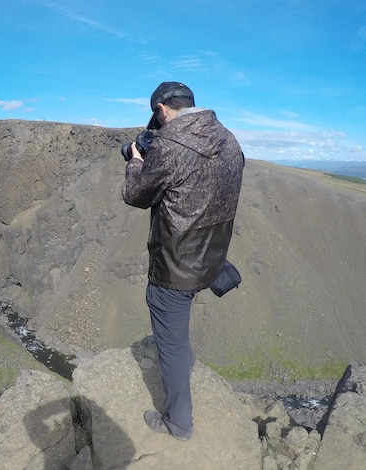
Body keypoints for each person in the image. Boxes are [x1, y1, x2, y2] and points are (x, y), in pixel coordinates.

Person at [122, 82, 244, 441]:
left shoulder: (170, 145)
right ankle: (183, 372)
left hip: (175, 266)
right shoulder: (229, 140)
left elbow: (136, 195)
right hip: (211, 257)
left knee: (171, 343)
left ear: (161, 109)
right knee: (177, 335)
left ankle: (178, 423)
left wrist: (135, 162)